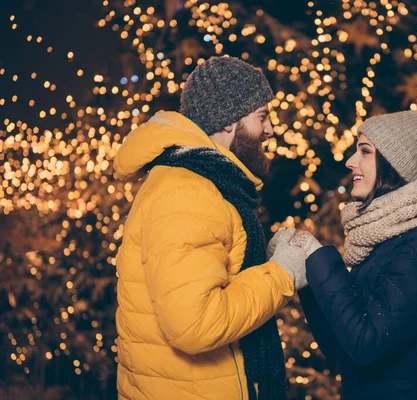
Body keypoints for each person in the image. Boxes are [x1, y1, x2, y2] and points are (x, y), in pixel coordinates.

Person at [113, 56, 309, 400]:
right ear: (229, 121)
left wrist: (265, 261)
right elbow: (195, 324)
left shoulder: (203, 182)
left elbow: (205, 274)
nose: (270, 130)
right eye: (261, 117)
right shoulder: (190, 190)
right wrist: (281, 276)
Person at [274, 111, 417, 399]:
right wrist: (307, 274)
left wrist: (318, 257)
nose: (351, 161)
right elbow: (340, 346)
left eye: (365, 151)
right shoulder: (387, 239)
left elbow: (366, 344)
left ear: (396, 164)